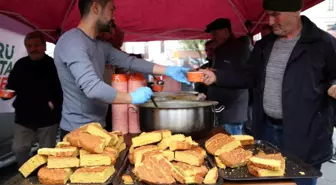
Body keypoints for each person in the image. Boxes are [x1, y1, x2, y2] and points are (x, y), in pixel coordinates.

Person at [201, 0, 336, 184]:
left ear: (295, 11)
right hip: (267, 131)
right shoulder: (264, 45)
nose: (270, 21)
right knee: (266, 181)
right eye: (268, 15)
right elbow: (249, 76)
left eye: (275, 14)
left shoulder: (324, 44)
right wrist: (218, 77)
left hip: (306, 136)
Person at [54, 0, 189, 139]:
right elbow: (92, 88)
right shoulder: (72, 42)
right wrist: (131, 98)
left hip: (98, 127)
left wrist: (168, 70)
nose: (114, 16)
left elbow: (129, 61)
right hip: (78, 131)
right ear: (95, 7)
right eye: (112, 9)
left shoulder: (99, 45)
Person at [5, 31, 63, 167]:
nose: (33, 49)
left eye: (36, 45)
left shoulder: (54, 65)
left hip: (48, 118)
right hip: (24, 117)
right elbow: (11, 86)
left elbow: (62, 89)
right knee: (19, 149)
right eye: (29, 46)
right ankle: (27, 172)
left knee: (47, 153)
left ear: (44, 46)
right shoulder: (20, 65)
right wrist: (6, 94)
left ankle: (45, 176)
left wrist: (53, 103)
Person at [204, 18, 250, 135]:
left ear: (225, 31)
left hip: (233, 110)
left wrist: (217, 76)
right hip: (221, 108)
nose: (213, 37)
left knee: (233, 148)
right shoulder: (220, 49)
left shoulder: (240, 49)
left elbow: (245, 77)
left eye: (215, 33)